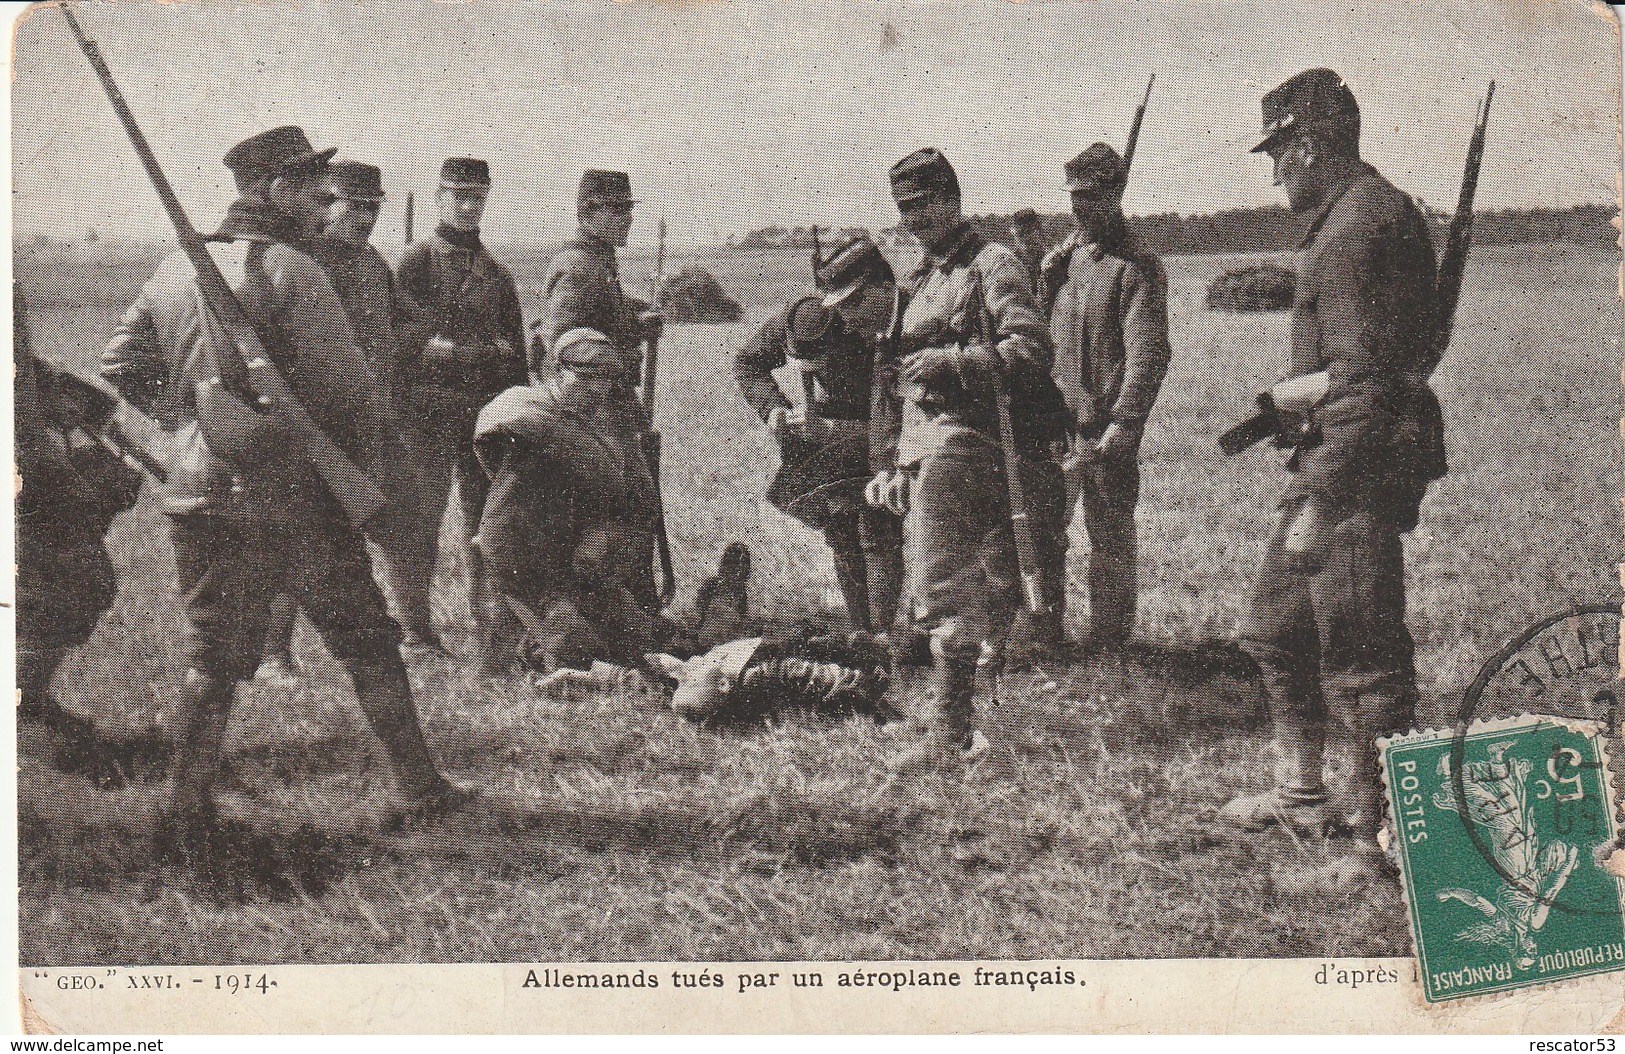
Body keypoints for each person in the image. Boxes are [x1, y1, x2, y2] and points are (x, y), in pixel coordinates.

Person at [101, 126, 464, 829]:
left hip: (200, 495)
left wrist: (195, 419)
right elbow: (353, 390)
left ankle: (184, 808)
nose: (326, 204)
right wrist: (317, 453)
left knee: (214, 659)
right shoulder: (295, 269)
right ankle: (418, 790)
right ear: (275, 191)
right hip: (299, 498)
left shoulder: (173, 269)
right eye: (312, 191)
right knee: (368, 642)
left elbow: (120, 365)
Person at [1217, 70, 1446, 849]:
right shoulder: (1359, 213)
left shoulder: (1354, 229)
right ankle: (1301, 797)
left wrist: (1319, 502)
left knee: (1363, 658)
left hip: (1354, 469)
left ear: (1308, 145)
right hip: (1340, 455)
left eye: (1277, 152)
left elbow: (1364, 382)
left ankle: (1383, 841)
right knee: (1275, 629)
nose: (1274, 170)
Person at [866, 148, 1068, 768]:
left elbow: (1032, 350)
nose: (916, 217)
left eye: (925, 203)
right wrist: (893, 461)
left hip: (984, 441)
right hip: (932, 443)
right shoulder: (918, 277)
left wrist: (954, 363)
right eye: (905, 208)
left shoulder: (992, 265)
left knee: (941, 580)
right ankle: (954, 713)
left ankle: (950, 733)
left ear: (953, 200)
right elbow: (895, 379)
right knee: (943, 576)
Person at [256, 159, 441, 684]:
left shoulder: (373, 263)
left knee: (407, 520)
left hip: (376, 417)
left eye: (373, 210)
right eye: (353, 208)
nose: (364, 219)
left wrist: (394, 345)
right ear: (327, 204)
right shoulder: (297, 261)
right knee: (303, 535)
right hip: (317, 426)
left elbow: (409, 318)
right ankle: (275, 653)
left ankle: (415, 634)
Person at [731, 233, 904, 634]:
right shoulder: (801, 319)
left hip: (880, 433)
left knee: (879, 530)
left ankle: (884, 630)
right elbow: (748, 361)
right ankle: (862, 628)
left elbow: (895, 403)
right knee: (840, 530)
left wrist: (856, 435)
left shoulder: (871, 324)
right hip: (826, 440)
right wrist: (774, 407)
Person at [472, 328, 670, 678]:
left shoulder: (609, 425)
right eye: (584, 378)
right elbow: (504, 429)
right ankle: (527, 646)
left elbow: (643, 502)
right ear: (556, 371)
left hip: (581, 560)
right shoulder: (523, 407)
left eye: (606, 381)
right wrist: (598, 456)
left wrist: (606, 529)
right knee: (576, 651)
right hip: (522, 558)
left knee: (642, 643)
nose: (596, 389)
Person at [395, 157, 528, 670]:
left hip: (483, 419)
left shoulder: (495, 272)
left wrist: (512, 401)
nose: (470, 208)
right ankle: (413, 632)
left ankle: (492, 635)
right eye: (459, 196)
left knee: (486, 524)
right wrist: (458, 353)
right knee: (418, 522)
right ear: (439, 199)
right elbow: (397, 342)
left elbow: (514, 352)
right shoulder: (416, 262)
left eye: (478, 197)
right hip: (427, 415)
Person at [1046, 143, 1171, 649]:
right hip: (1055, 427)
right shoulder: (1064, 261)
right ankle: (1043, 635)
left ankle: (1109, 643)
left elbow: (1149, 354)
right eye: (1074, 197)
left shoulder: (1136, 268)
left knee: (1110, 539)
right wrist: (1045, 276)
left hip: (1105, 431)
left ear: (1115, 194)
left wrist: (1126, 421)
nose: (1079, 207)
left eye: (1092, 196)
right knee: (1043, 533)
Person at [16, 285, 142, 745]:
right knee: (59, 584)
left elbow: (21, 362)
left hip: (35, 455)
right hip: (27, 464)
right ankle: (23, 708)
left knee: (78, 583)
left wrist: (59, 393)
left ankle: (27, 700)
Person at [531, 169, 661, 381]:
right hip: (584, 400)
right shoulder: (578, 266)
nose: (628, 218)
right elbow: (561, 344)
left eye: (628, 208)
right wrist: (628, 344)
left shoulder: (597, 259)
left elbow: (601, 306)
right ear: (587, 212)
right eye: (617, 209)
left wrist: (638, 311)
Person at [1008, 208, 1050, 297]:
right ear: (1015, 236)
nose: (1027, 238)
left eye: (1030, 231)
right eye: (1021, 234)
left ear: (1039, 231)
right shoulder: (1011, 263)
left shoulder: (1050, 259)